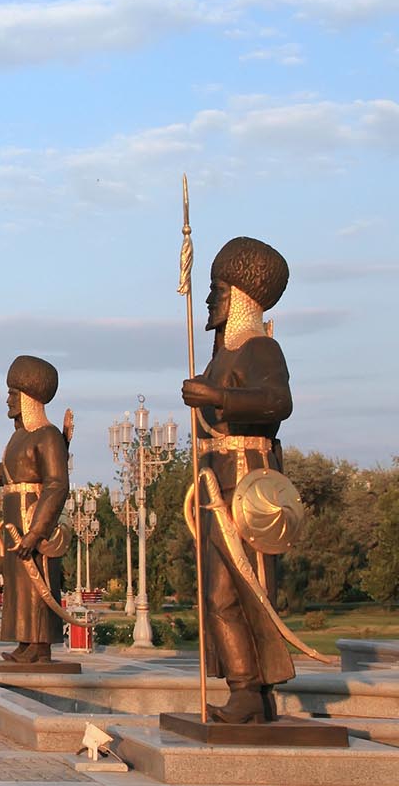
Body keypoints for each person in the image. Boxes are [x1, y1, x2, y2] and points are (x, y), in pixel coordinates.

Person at [181, 236, 295, 724]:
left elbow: (277, 402)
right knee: (216, 594)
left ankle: (254, 692)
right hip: (214, 484)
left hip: (248, 483)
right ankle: (245, 689)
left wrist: (218, 398)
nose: (209, 299)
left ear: (240, 298)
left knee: (245, 590)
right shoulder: (218, 358)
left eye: (217, 289)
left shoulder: (261, 348)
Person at [0, 355, 69, 664]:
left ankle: (40, 646)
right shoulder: (19, 437)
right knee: (19, 585)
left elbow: (57, 484)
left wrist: (36, 532)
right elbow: (7, 473)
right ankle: (25, 642)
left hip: (33, 520)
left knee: (38, 582)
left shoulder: (48, 436)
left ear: (29, 398)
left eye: (13, 394)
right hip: (13, 519)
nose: (8, 400)